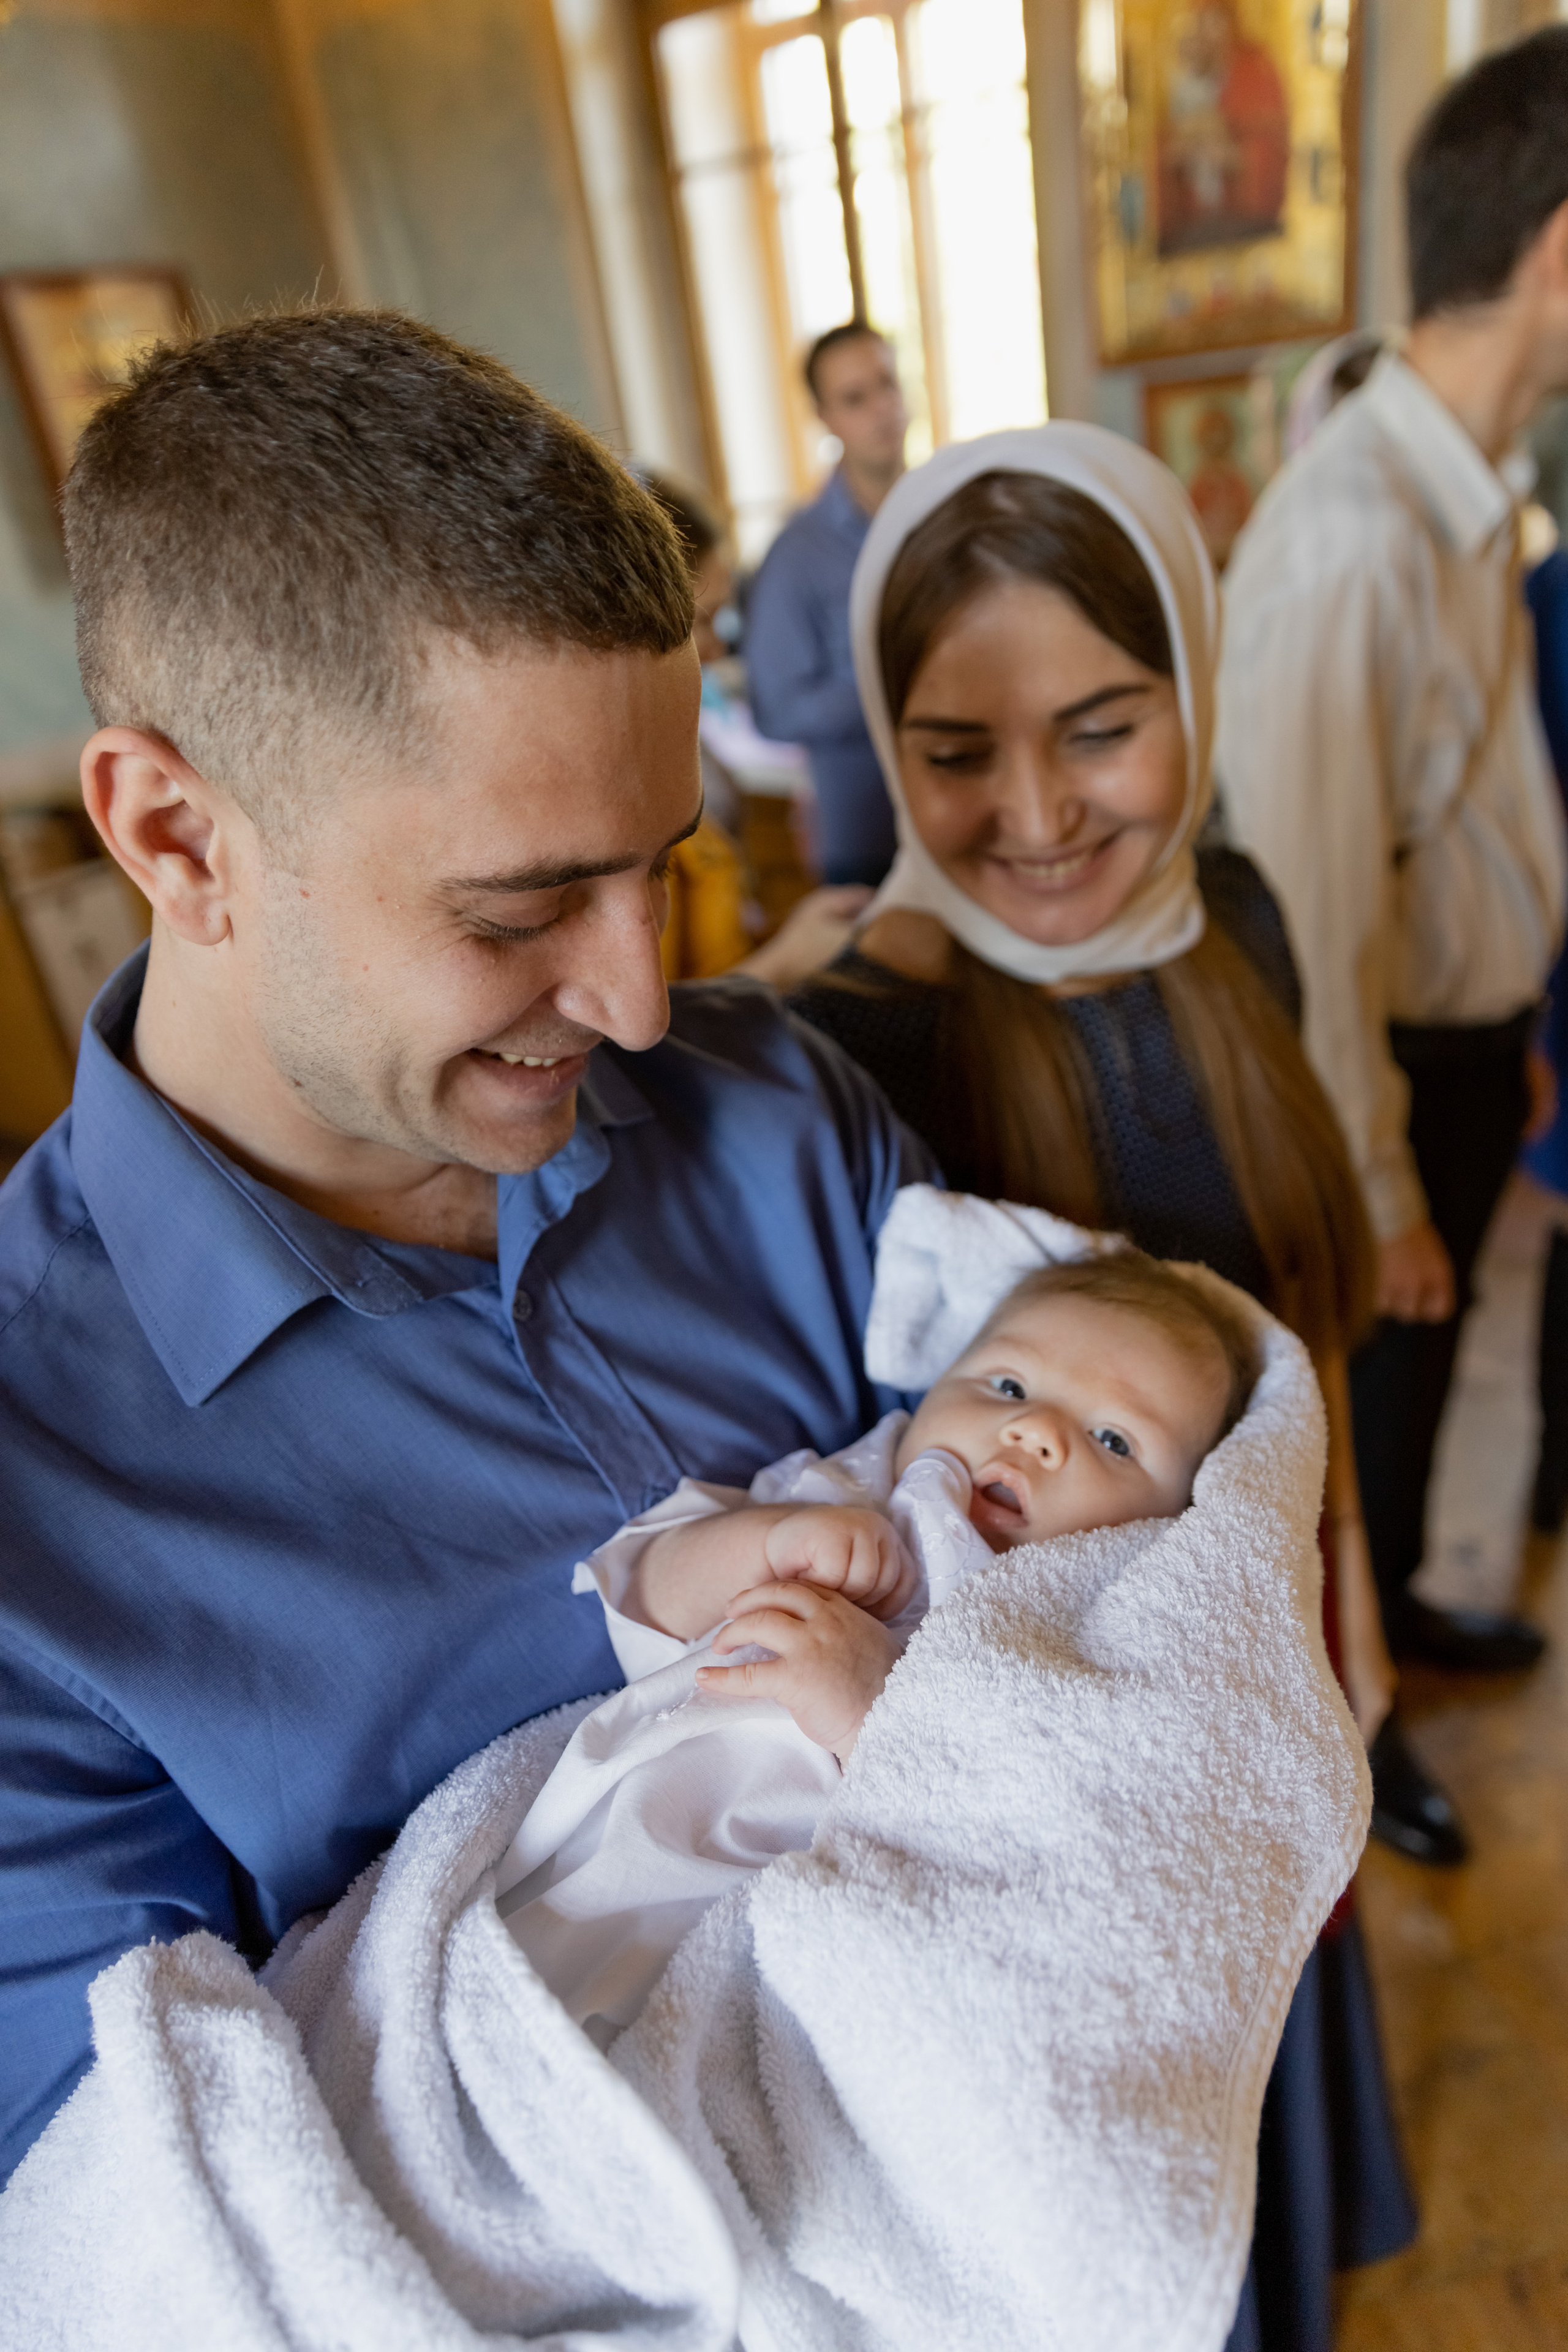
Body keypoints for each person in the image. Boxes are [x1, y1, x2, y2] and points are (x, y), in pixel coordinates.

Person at [0, 309, 938, 2186]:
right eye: (521, 908)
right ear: (178, 835)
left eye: (660, 861)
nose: (642, 996)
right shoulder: (33, 1510)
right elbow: (173, 2234)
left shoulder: (776, 1116)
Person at [790, 423, 1415, 2350]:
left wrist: (1350, 1608)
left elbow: (1286, 1328)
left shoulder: (1232, 917)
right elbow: (876, 1489)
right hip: (1043, 1798)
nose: (1036, 814)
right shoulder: (855, 1042)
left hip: (1264, 1698)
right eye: (956, 750)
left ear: (1192, 698)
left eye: (1100, 726)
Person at [1216, 28, 1568, 1868]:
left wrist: (1509, 1025)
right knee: (1373, 1405)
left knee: (1431, 1402)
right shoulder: (1349, 536)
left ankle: (1423, 1623)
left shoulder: (1468, 499)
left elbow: (1466, 814)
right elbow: (1312, 906)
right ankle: (1365, 1722)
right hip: (1377, 1078)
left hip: (1462, 1044)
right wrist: (1377, 1176)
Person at [497, 1244, 1257, 2046]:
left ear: (1173, 1526)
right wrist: (772, 1540)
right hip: (623, 1872)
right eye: (1007, 1386)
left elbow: (1023, 1843)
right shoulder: (844, 1497)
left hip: (797, 1963)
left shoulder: (1081, 1650)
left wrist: (873, 1715)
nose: (1035, 1430)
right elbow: (644, 1588)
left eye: (1112, 1439)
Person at [639, 467, 870, 986]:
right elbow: (653, 1030)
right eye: (703, 621)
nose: (718, 647)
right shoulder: (628, 815)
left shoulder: (684, 754)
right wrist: (786, 962)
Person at [745, 323, 908, 888]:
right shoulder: (796, 554)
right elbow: (778, 710)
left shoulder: (948, 518)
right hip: (868, 843)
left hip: (977, 821)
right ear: (825, 417)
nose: (882, 409)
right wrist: (895, 679)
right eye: (855, 398)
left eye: (887, 384)